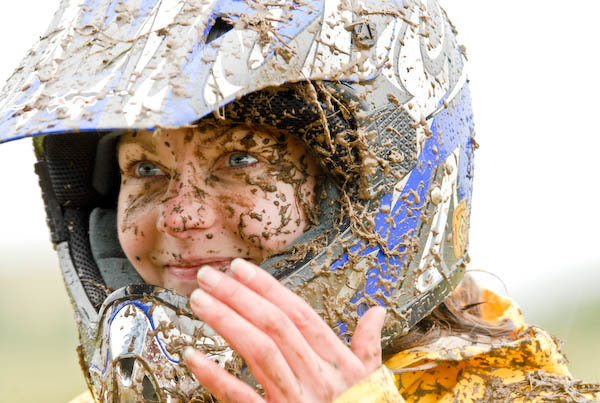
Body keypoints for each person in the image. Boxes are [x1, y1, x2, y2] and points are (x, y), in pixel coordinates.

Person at [0, 0, 597, 401]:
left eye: (240, 160)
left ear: (360, 191)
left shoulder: (518, 391)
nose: (180, 216)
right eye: (145, 169)